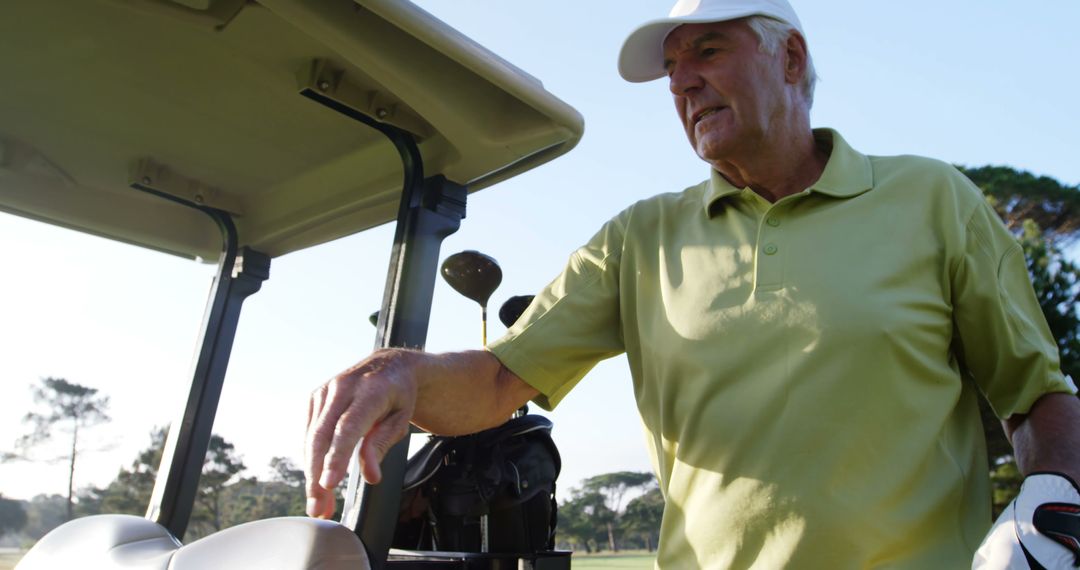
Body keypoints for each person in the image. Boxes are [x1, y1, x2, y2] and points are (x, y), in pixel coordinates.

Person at [305, 0, 1080, 567]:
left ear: (791, 61)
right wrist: (400, 372)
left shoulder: (932, 199)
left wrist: (1051, 510)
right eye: (672, 68)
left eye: (707, 51)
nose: (682, 82)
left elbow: (1037, 394)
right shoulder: (640, 237)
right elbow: (500, 377)